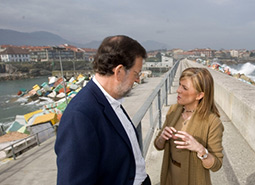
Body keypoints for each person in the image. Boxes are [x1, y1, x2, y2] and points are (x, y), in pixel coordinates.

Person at [55, 35, 151, 185]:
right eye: (136, 74)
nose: (137, 80)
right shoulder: (80, 116)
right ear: (119, 72)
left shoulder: (109, 101)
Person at [154, 67, 224, 185]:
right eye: (179, 85)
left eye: (184, 88)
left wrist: (201, 150)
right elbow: (158, 145)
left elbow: (216, 165)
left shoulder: (212, 122)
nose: (178, 90)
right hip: (170, 177)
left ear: (199, 95)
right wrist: (161, 138)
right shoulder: (174, 110)